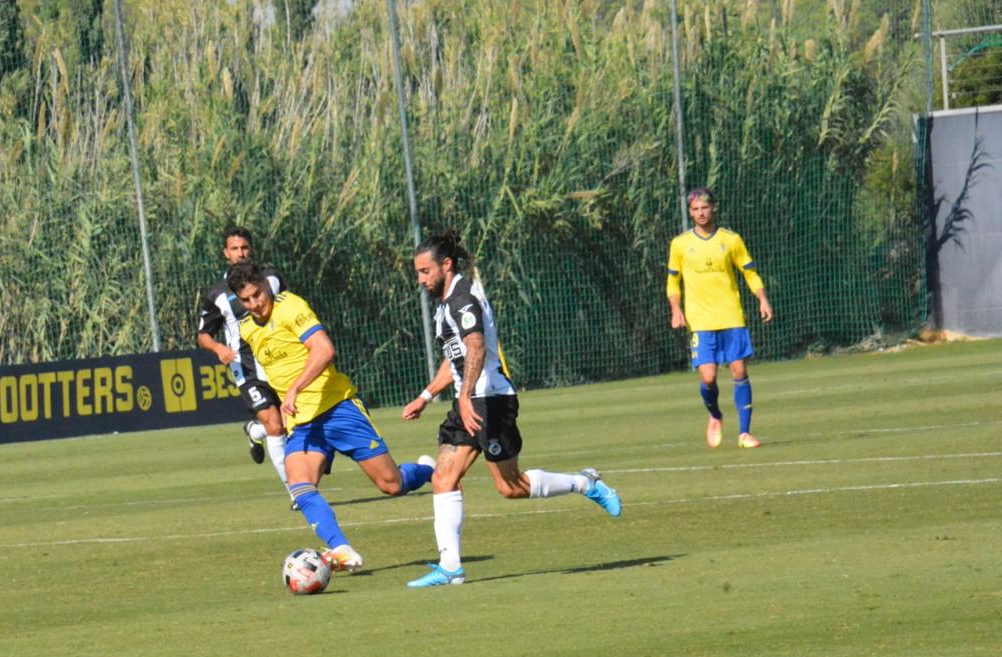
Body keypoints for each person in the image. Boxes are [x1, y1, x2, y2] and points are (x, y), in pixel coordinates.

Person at [402, 234, 622, 588]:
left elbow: (475, 347)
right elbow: (456, 356)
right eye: (417, 273)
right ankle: (451, 567)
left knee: (511, 487)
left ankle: (586, 483)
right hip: (468, 400)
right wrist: (427, 396)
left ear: (447, 265)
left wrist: (465, 395)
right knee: (443, 478)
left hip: (491, 401)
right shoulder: (444, 303)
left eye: (425, 271)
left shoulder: (463, 300)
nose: (421, 279)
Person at [228, 261, 435, 573]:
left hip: (338, 408)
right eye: (246, 300)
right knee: (299, 484)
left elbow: (324, 350)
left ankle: (429, 470)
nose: (256, 304)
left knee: (391, 483)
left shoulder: (291, 306)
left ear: (265, 285)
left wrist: (296, 388)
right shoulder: (246, 329)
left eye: (258, 294)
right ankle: (341, 549)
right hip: (304, 424)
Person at [666, 187, 774, 449]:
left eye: (705, 208)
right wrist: (676, 309)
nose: (701, 213)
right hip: (701, 321)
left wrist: (762, 298)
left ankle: (744, 433)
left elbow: (749, 272)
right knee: (709, 378)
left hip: (732, 316)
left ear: (714, 208)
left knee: (739, 369)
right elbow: (673, 281)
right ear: (690, 212)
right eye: (695, 209)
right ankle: (715, 415)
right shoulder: (680, 244)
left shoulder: (731, 239)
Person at [196, 225, 295, 509]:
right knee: (276, 424)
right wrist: (218, 348)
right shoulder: (217, 292)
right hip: (247, 368)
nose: (240, 253)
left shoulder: (273, 278)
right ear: (225, 253)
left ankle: (255, 431)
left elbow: (289, 309)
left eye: (245, 248)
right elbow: (203, 334)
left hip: (279, 361)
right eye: (234, 249)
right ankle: (296, 493)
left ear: (251, 249)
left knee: (291, 423)